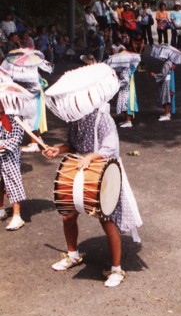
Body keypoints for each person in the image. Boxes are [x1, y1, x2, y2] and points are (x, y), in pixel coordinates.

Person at [43, 64, 142, 287]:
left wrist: (92, 156)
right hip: (79, 171)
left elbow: (110, 148)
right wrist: (58, 149)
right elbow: (72, 145)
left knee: (107, 220)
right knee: (67, 215)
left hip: (104, 173)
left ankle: (117, 268)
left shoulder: (102, 117)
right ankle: (73, 254)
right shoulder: (75, 120)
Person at [0, 102, 27, 230]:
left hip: (9, 153)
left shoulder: (15, 114)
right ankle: (1, 209)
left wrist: (3, 144)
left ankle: (17, 215)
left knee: (12, 181)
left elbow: (17, 137)